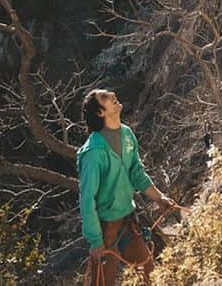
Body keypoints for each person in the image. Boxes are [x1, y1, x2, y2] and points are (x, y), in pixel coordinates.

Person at [77, 87, 180, 284]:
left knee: (149, 271)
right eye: (105, 98)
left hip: (127, 219)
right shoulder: (93, 152)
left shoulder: (126, 134)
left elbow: (136, 173)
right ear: (100, 112)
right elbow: (87, 198)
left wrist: (160, 198)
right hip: (105, 227)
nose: (113, 95)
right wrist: (95, 240)